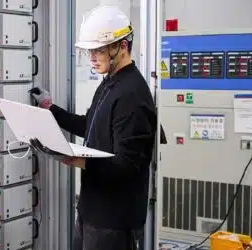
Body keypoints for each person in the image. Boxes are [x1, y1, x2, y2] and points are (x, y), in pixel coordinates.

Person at [30, 5, 157, 250]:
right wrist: (50, 109)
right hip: (91, 212)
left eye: (98, 50)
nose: (92, 58)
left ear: (121, 46)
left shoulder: (132, 95)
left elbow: (127, 166)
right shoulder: (110, 83)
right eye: (90, 51)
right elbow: (91, 126)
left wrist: (77, 159)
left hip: (114, 222)